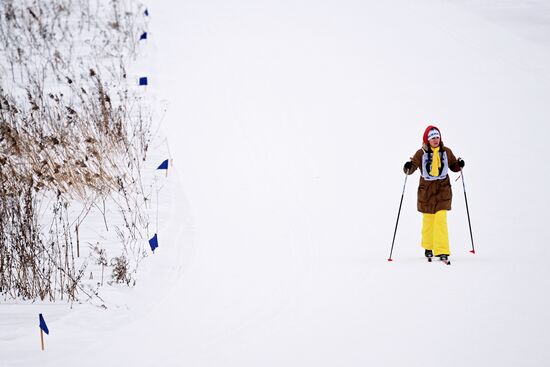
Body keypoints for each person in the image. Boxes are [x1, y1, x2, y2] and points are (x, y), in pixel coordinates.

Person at [403, 125, 464, 262]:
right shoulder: (421, 153)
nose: (436, 140)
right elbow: (412, 166)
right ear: (427, 140)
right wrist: (407, 167)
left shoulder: (446, 152)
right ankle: (429, 247)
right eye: (433, 138)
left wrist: (459, 165)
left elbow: (453, 165)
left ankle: (442, 250)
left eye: (437, 137)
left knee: (441, 220)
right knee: (429, 221)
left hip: (443, 190)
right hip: (427, 191)